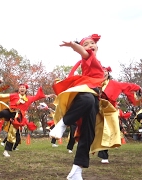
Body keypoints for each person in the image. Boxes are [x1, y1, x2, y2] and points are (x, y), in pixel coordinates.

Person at [50, 34, 119, 180]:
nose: (90, 45)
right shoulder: (89, 57)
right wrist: (74, 46)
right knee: (87, 99)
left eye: (92, 43)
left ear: (97, 46)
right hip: (85, 93)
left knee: (89, 133)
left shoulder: (98, 63)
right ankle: (63, 124)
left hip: (95, 98)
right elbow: (84, 52)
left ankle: (76, 170)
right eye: (86, 44)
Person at [0, 83, 52, 157]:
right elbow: (3, 96)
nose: (22, 88)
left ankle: (6, 150)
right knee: (3, 112)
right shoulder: (14, 95)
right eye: (21, 87)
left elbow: (37, 97)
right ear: (19, 89)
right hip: (11, 111)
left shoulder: (29, 98)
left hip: (18, 116)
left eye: (23, 87)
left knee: (12, 133)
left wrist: (46, 96)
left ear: (25, 90)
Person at [97, 66, 141, 164]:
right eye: (101, 71)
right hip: (97, 109)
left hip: (110, 111)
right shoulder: (94, 83)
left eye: (105, 71)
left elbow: (126, 86)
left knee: (107, 132)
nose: (103, 73)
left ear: (108, 73)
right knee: (97, 132)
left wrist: (137, 87)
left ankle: (104, 154)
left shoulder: (114, 84)